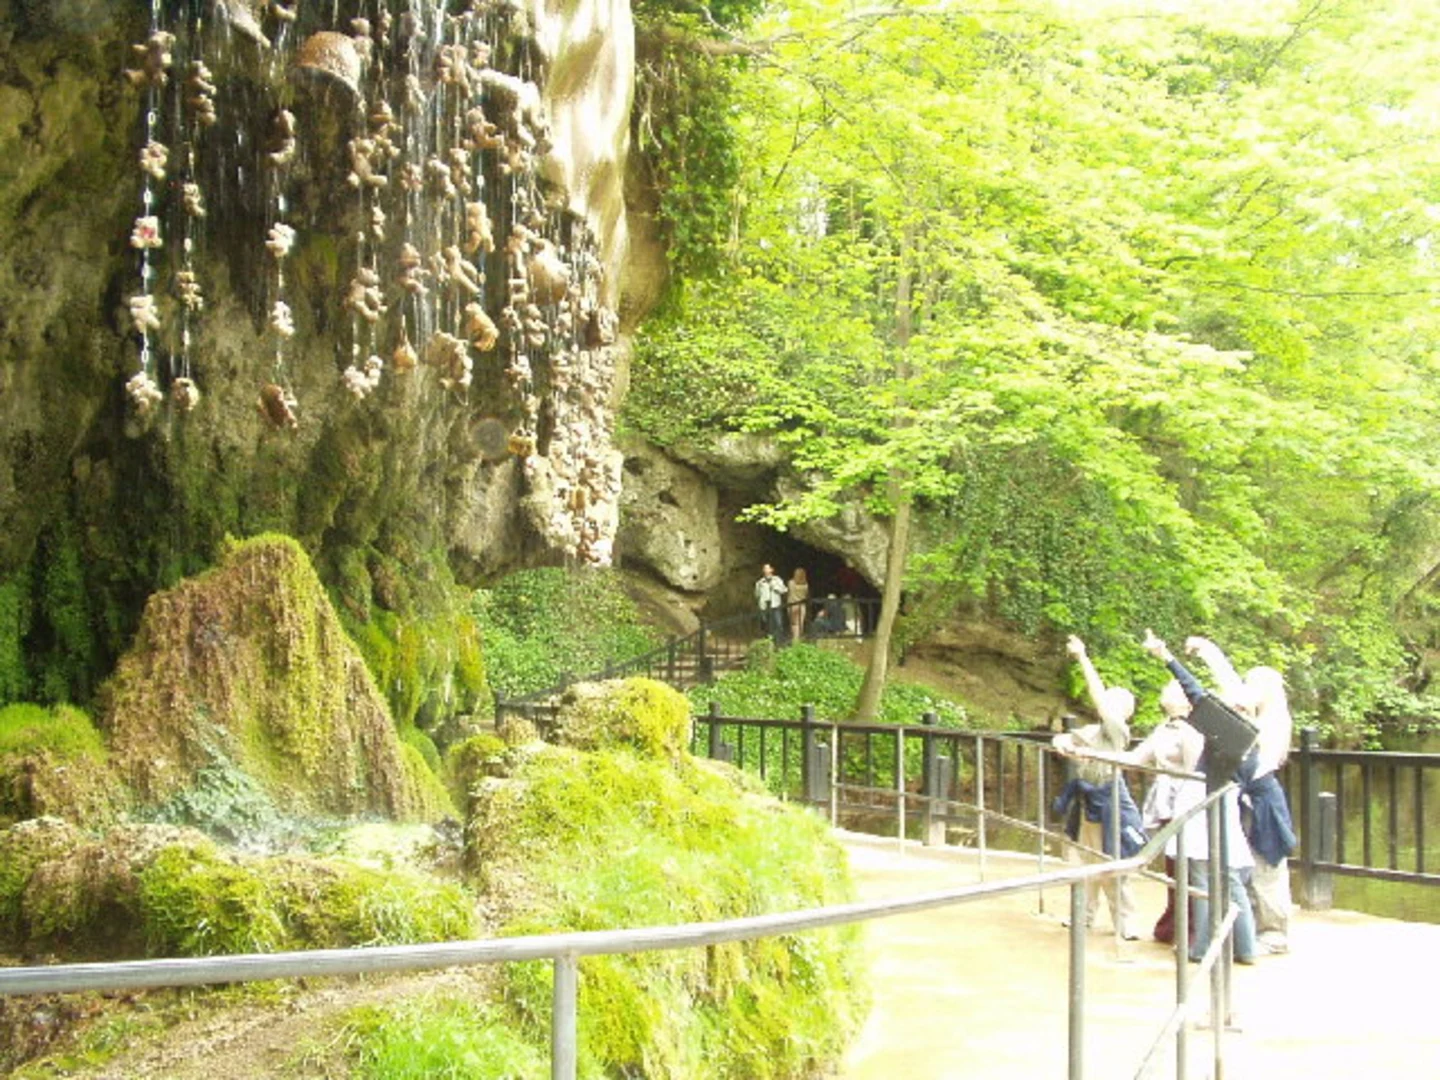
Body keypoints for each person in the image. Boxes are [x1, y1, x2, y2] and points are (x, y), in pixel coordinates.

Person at [1142, 630, 1260, 964]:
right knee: (1231, 878)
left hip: (1207, 801)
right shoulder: (1251, 736)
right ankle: (1246, 947)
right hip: (1226, 800)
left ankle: (1203, 946)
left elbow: (1194, 691)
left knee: (1202, 876)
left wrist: (1166, 657)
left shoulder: (1230, 729)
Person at [1185, 636, 1296, 953]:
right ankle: (1248, 928)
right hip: (1243, 796)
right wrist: (1209, 651)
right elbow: (1231, 684)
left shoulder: (1274, 720)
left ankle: (1274, 932)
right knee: (1245, 864)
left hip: (1262, 799)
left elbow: (1256, 747)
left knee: (1268, 864)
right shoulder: (1255, 716)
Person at [1050, 635, 1142, 939]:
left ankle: (1125, 924)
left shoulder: (1118, 731)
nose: (1105, 706)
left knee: (1111, 863)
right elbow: (1066, 738)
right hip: (1089, 799)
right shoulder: (1095, 731)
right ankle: (1084, 916)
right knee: (1088, 860)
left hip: (1110, 798)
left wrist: (1084, 659)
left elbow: (1101, 704)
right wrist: (1062, 743)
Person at [754, 563, 788, 645]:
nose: (766, 570)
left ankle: (779, 642)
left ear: (772, 570)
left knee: (778, 624)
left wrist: (775, 587)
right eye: (764, 568)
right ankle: (769, 642)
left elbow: (784, 590)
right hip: (765, 606)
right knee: (766, 624)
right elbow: (757, 594)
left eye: (767, 568)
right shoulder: (760, 582)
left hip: (775, 605)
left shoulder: (777, 580)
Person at [787, 568, 810, 643]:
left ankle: (794, 638)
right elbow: (806, 595)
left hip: (792, 605)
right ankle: (798, 638)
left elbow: (788, 592)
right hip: (801, 605)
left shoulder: (791, 583)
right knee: (800, 624)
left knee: (793, 623)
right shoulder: (805, 585)